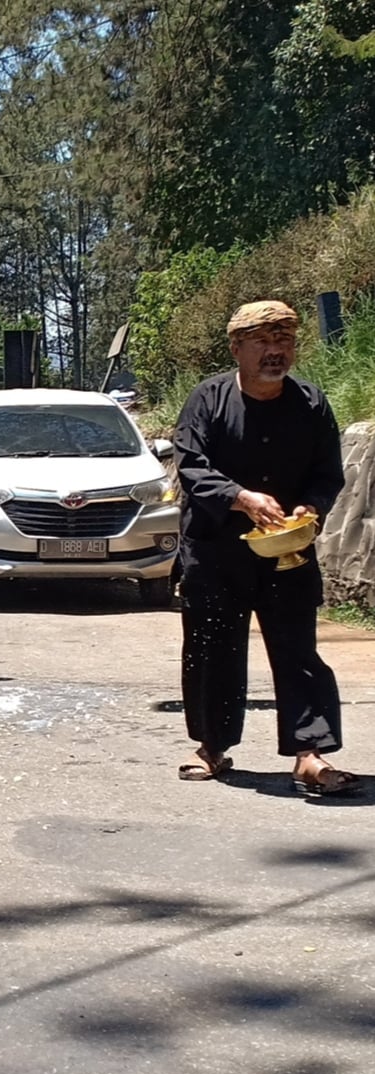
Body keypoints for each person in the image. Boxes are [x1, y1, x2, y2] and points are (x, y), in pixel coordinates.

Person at [173, 299, 355, 795]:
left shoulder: (311, 403)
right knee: (212, 648)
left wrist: (310, 508)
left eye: (285, 341)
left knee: (298, 649)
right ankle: (212, 746)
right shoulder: (207, 400)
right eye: (263, 342)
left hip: (287, 548)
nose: (276, 352)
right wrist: (240, 497)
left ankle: (309, 753)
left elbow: (326, 473)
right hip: (215, 549)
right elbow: (192, 466)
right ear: (237, 349)